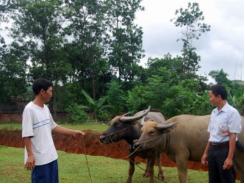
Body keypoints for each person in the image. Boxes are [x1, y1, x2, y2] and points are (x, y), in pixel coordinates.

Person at [22, 78, 85, 183]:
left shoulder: (45, 108)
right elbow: (26, 135)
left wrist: (73, 132)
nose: (52, 94)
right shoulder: (29, 110)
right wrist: (30, 155)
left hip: (52, 157)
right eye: (50, 91)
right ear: (42, 92)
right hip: (40, 160)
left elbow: (54, 126)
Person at [201, 84, 241, 183]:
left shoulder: (232, 112)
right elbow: (212, 135)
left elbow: (233, 136)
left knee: (226, 179)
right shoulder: (214, 112)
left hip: (225, 150)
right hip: (212, 150)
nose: (210, 99)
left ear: (219, 97)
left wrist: (229, 158)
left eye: (211, 96)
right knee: (213, 179)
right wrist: (205, 153)